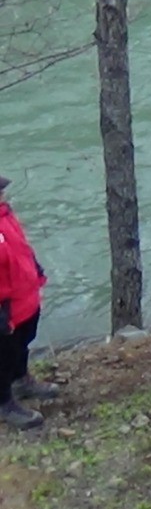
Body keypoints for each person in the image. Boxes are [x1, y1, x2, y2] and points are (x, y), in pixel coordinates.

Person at [0, 176, 53, 430]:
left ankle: (22, 381)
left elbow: (20, 248)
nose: (3, 194)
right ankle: (4, 403)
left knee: (22, 344)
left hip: (25, 298)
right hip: (4, 310)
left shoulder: (5, 215)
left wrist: (35, 268)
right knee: (3, 356)